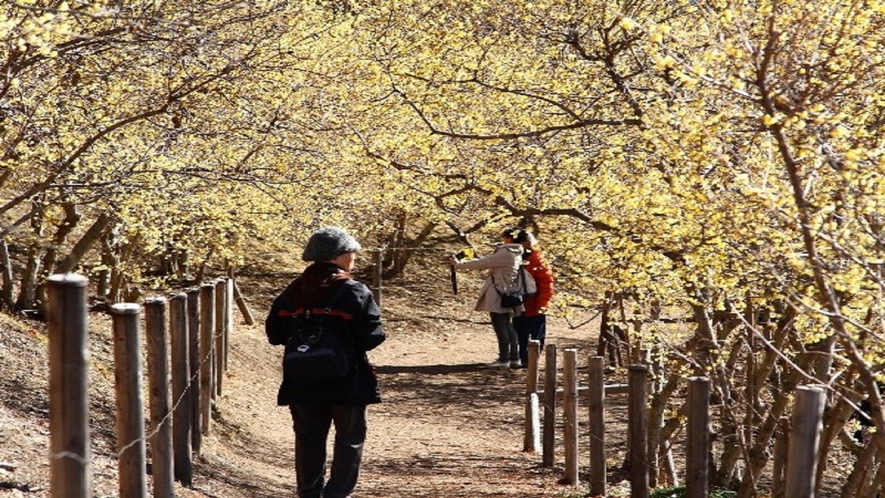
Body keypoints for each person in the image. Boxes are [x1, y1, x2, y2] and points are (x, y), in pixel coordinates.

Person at [265, 226, 386, 498]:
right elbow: (372, 336)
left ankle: (309, 493)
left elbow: (275, 334)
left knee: (308, 438)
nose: (354, 256)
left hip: (301, 379)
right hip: (347, 379)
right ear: (337, 256)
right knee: (349, 440)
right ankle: (337, 494)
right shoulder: (354, 290)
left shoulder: (292, 291)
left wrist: (307, 341)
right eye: (351, 251)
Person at [448, 229, 524, 369]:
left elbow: (483, 262)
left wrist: (459, 264)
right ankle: (514, 358)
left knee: (501, 326)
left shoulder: (505, 253)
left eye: (503, 237)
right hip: (508, 293)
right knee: (508, 326)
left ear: (508, 238)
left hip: (499, 294)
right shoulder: (515, 252)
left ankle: (504, 359)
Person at [509, 229, 555, 368]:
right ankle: (520, 358)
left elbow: (546, 284)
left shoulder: (537, 260)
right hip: (519, 304)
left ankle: (531, 360)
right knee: (519, 334)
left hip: (534, 305)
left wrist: (543, 304)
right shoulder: (514, 259)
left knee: (536, 335)